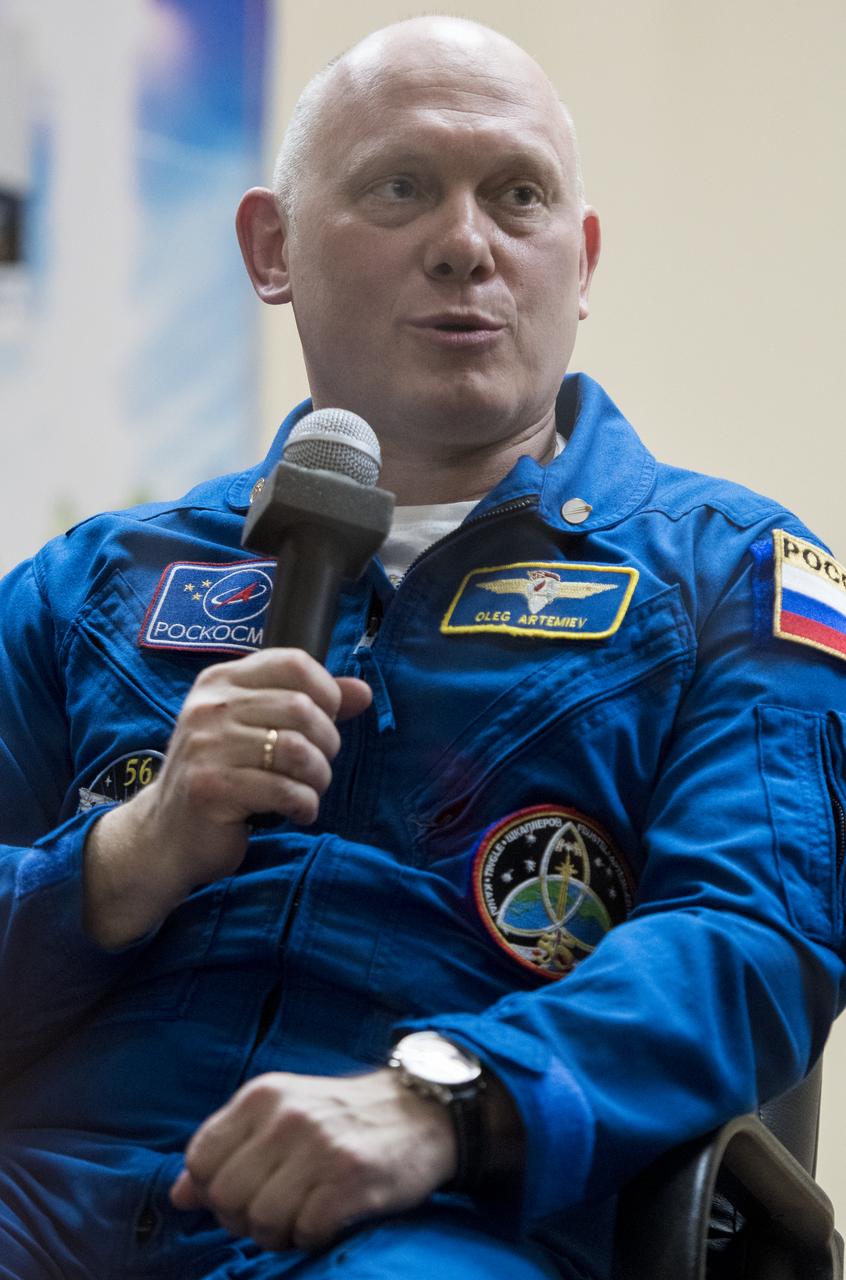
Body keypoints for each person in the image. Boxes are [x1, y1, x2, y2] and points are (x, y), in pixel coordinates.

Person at [0, 14, 843, 1280]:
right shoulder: (92, 583)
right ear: (272, 248)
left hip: (444, 1216)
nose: (466, 244)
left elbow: (751, 939)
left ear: (582, 259)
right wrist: (129, 852)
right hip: (49, 1189)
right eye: (401, 187)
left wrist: (444, 1097)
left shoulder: (730, 571)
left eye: (518, 196)